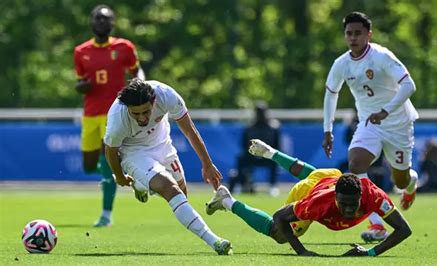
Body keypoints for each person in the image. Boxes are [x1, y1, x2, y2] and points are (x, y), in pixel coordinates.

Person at [206, 139, 412, 256]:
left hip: (331, 178)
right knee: (278, 234)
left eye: (353, 203)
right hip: (312, 190)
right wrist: (301, 251)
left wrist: (371, 253)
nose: (349, 210)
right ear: (336, 199)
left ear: (361, 195)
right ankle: (226, 200)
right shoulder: (319, 204)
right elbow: (280, 216)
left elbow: (404, 229)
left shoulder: (374, 196)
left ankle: (272, 153)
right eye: (344, 205)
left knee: (316, 174)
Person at [103, 78, 232, 255]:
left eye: (146, 112)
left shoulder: (166, 95)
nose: (142, 118)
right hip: (134, 152)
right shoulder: (118, 117)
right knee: (169, 189)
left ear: (154, 102)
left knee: (182, 193)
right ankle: (214, 241)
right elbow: (110, 151)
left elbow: (189, 130)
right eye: (136, 114)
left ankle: (142, 184)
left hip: (163, 145)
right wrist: (119, 176)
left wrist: (207, 164)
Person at [321, 11, 419, 242]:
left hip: (398, 124)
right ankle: (377, 224)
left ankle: (411, 181)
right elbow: (330, 95)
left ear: (369, 34)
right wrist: (327, 129)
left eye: (358, 33)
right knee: (355, 164)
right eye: (348, 34)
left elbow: (409, 86)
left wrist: (387, 110)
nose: (353, 38)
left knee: (400, 181)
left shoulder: (381, 56)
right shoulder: (341, 64)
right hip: (369, 124)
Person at [73, 4, 145, 227]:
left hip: (114, 112)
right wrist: (81, 86)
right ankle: (116, 176)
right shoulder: (81, 51)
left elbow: (136, 70)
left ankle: (106, 214)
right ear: (92, 23)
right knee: (88, 165)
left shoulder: (124, 47)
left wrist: (141, 82)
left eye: (106, 19)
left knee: (106, 162)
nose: (101, 22)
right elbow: (80, 81)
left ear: (113, 23)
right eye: (98, 19)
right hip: (90, 114)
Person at [229, 101, 281, 195]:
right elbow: (244, 145)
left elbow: (277, 145)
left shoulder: (273, 128)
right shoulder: (249, 128)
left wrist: (267, 153)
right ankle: (241, 185)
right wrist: (253, 153)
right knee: (241, 159)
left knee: (276, 159)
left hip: (268, 156)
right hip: (252, 156)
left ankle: (272, 186)